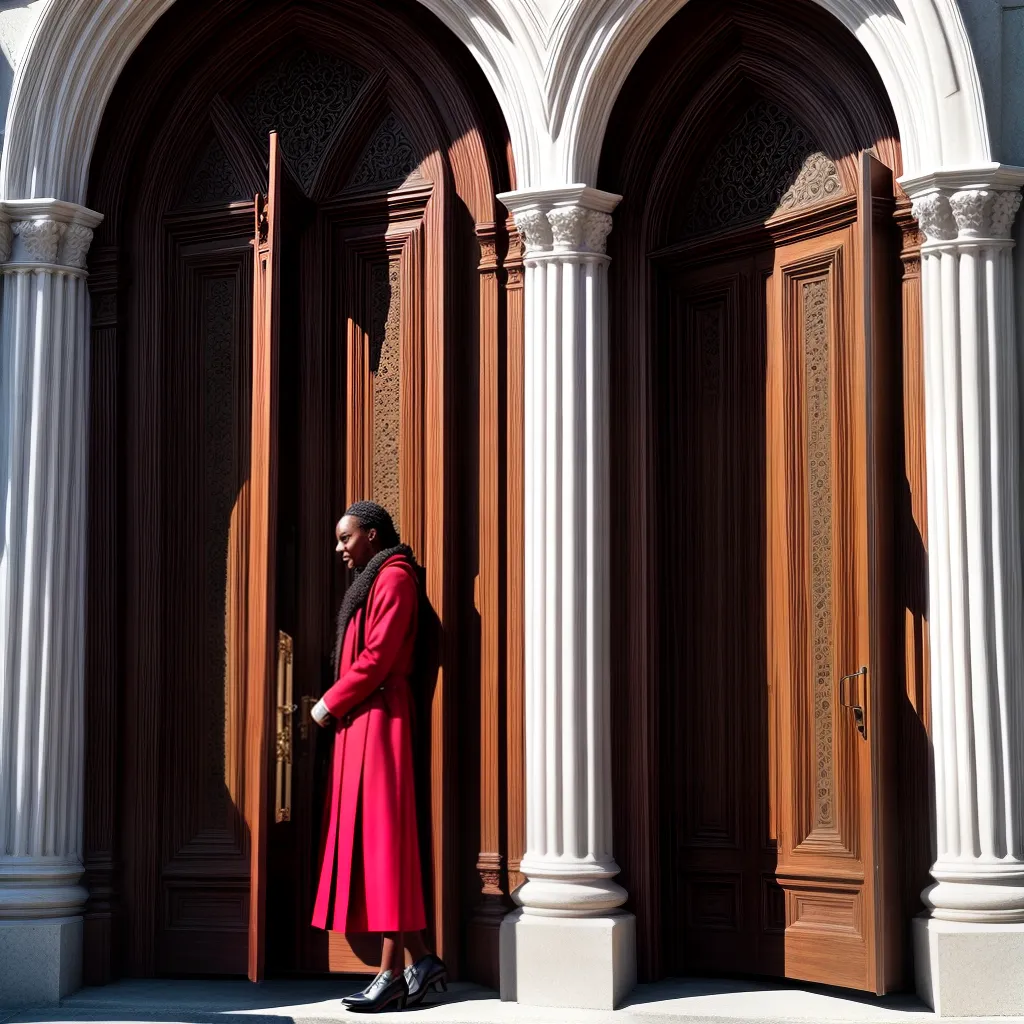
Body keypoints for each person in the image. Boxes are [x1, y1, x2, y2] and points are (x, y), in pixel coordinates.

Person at [310, 501, 447, 1013]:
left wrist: (329, 703)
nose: (340, 548)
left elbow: (378, 657)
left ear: (371, 534)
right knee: (376, 844)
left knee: (385, 844)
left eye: (346, 538)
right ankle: (423, 961)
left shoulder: (393, 579)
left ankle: (390, 972)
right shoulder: (377, 579)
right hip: (364, 723)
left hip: (380, 723)